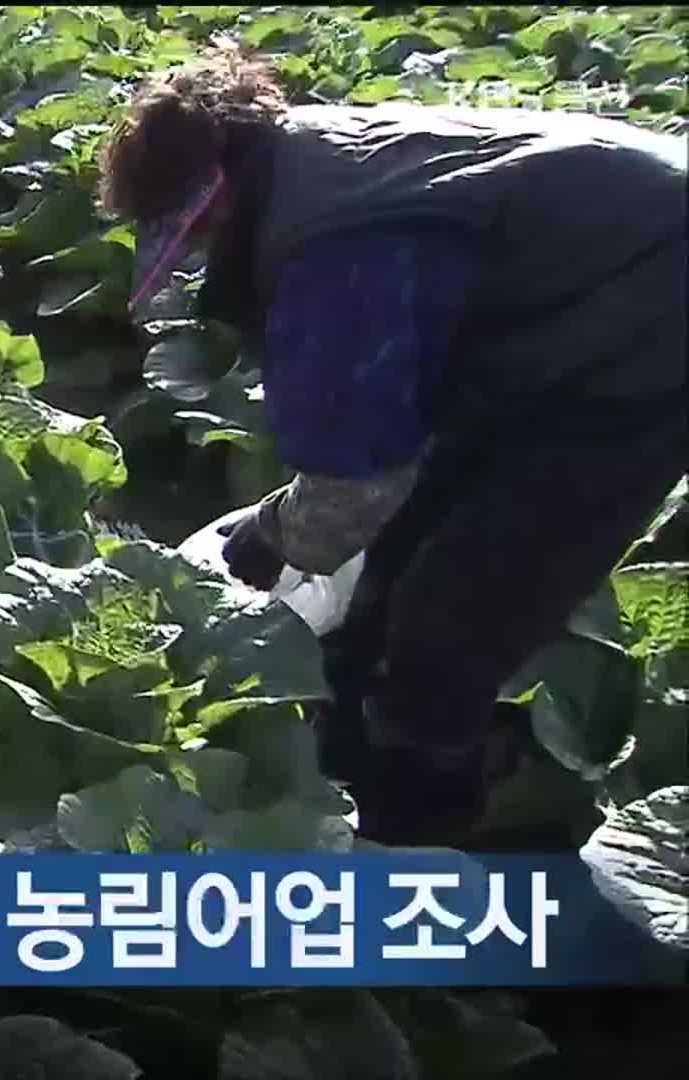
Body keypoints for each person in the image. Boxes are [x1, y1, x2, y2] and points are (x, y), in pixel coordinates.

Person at [97, 45, 687, 846]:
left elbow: (354, 491)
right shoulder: (318, 158)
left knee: (463, 607)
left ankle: (415, 830)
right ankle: (351, 759)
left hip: (644, 342)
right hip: (565, 318)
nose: (196, 254)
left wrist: (268, 533)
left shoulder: (335, 245)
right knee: (405, 559)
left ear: (218, 196)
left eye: (193, 233)